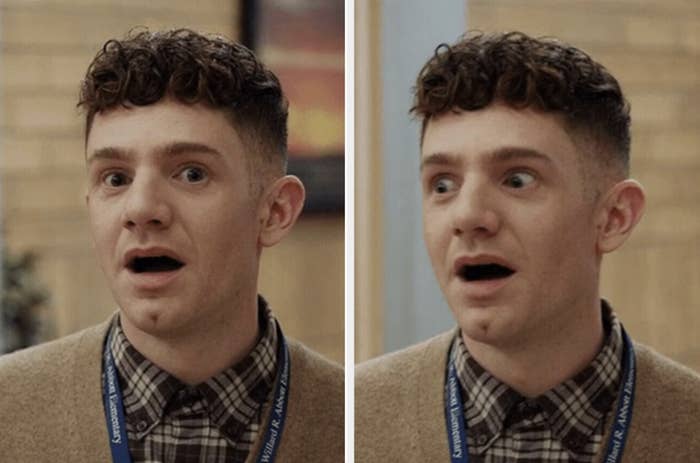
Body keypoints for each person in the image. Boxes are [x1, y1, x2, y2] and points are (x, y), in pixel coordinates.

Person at [0, 29, 343, 462]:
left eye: (191, 174)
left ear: (275, 212)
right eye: (116, 178)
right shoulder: (7, 414)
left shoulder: (357, 426)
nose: (141, 208)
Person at [356, 31, 700, 462]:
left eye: (517, 179)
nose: (467, 216)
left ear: (614, 217)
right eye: (443, 184)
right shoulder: (347, 425)